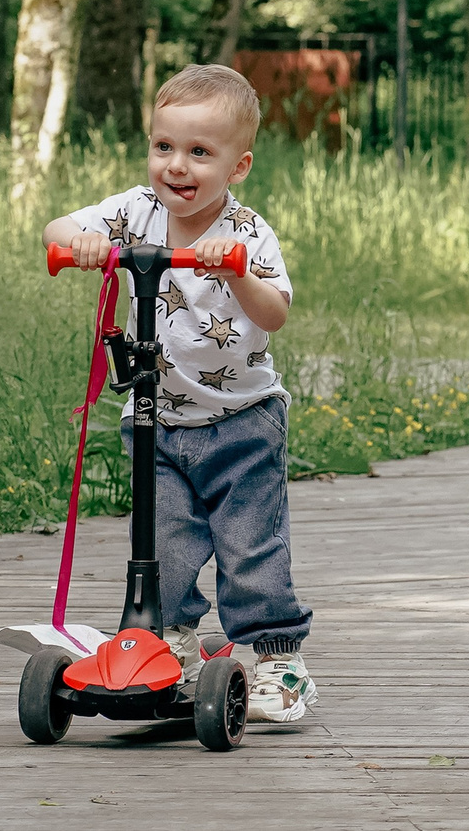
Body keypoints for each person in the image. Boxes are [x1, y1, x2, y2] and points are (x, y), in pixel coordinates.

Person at [42, 63, 315, 724]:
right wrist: (78, 243)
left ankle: (277, 656)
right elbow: (55, 229)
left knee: (251, 547)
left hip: (241, 420)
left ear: (237, 164)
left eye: (200, 152)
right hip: (156, 421)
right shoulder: (135, 212)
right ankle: (174, 643)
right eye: (165, 146)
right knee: (161, 545)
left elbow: (275, 312)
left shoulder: (246, 231)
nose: (178, 165)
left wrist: (238, 271)